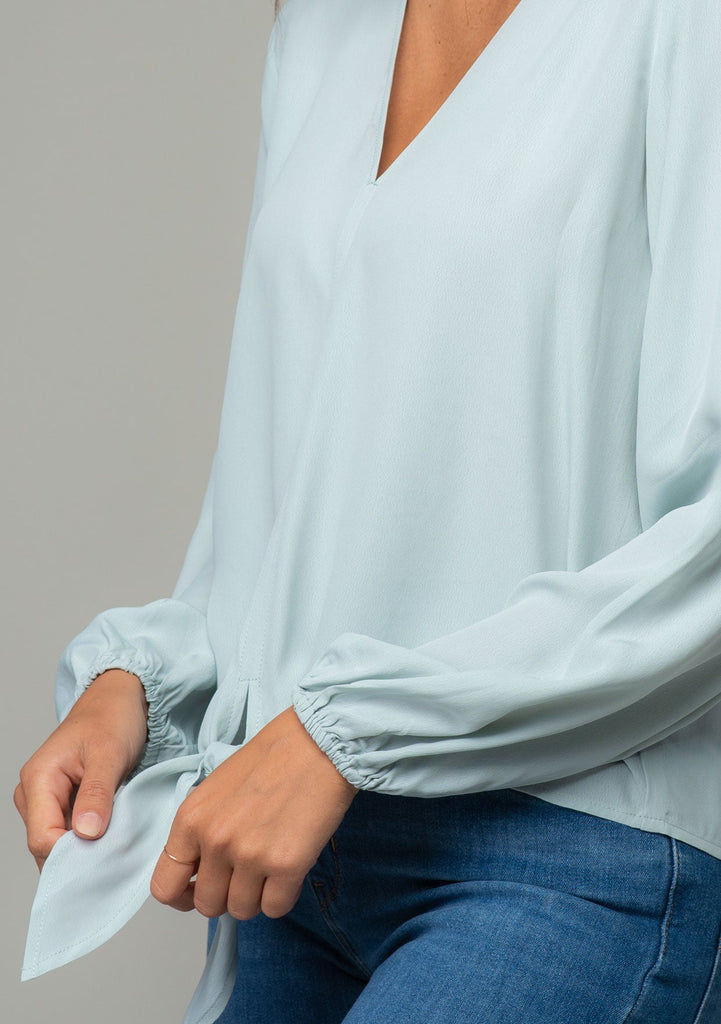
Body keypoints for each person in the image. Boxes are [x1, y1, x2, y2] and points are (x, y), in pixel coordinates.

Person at [15, 0, 721, 1020]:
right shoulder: (316, 29)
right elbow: (291, 490)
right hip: (289, 868)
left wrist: (347, 733)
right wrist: (144, 682)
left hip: (564, 847)